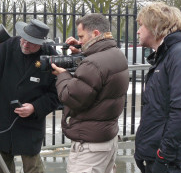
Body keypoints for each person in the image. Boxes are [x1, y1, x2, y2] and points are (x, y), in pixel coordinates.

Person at [0, 19, 60, 173]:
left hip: (30, 125)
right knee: (0, 166)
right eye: (24, 39)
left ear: (41, 43)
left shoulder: (51, 57)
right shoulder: (7, 46)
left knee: (33, 167)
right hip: (0, 119)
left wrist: (35, 107)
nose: (25, 45)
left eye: (32, 43)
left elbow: (56, 95)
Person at [51, 13, 129, 173]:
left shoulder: (93, 63)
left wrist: (62, 75)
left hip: (90, 146)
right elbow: (94, 83)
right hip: (107, 138)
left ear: (95, 34)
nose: (79, 41)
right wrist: (80, 52)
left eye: (81, 36)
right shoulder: (116, 54)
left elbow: (70, 97)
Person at [134, 2, 181, 173]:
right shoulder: (164, 56)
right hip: (156, 157)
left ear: (155, 25)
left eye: (141, 25)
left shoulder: (179, 54)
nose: (138, 31)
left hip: (173, 163)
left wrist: (164, 156)